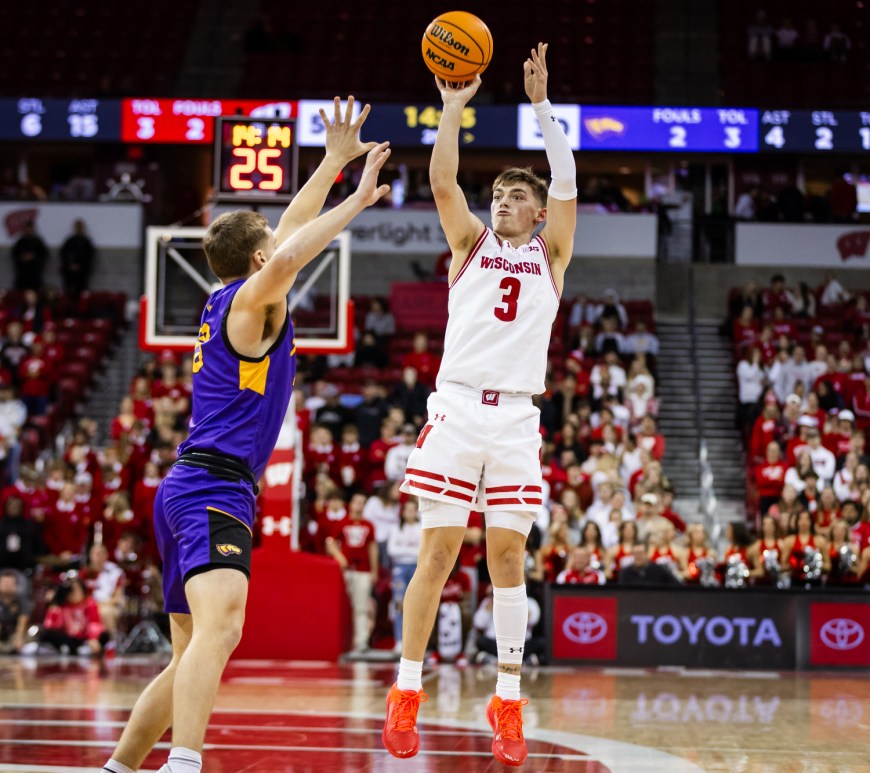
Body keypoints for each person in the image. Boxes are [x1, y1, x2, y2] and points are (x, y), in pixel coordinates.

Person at [103, 97, 391, 773]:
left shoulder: (228, 298)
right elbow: (290, 253)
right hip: (210, 486)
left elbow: (287, 232)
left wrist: (332, 164)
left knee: (189, 654)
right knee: (223, 629)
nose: (283, 243)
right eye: (274, 244)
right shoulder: (252, 300)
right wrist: (353, 203)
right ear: (260, 258)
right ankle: (185, 762)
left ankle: (118, 767)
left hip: (191, 486)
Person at [383, 43, 577, 767]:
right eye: (497, 193)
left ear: (536, 208)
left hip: (518, 417)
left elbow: (567, 177)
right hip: (458, 408)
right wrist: (455, 109)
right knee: (435, 554)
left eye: (516, 195)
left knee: (506, 557)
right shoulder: (468, 241)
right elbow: (440, 182)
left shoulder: (552, 252)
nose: (504, 201)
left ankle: (508, 699)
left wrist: (540, 109)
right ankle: (406, 688)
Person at [60, 218, 96, 297]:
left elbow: (89, 257)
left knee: (82, 293)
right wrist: (70, 265)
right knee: (69, 292)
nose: (79, 229)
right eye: (77, 227)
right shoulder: (69, 241)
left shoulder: (87, 242)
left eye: (80, 227)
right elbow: (63, 255)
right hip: (69, 273)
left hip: (82, 274)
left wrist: (80, 266)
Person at [10, 221, 49, 291]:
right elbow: (14, 254)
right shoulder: (20, 242)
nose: (28, 231)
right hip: (22, 275)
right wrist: (23, 257)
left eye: (30, 229)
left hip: (35, 275)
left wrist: (33, 256)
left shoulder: (38, 242)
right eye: (27, 229)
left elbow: (44, 254)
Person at [0, 569, 31, 654]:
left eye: (10, 583)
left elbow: (23, 621)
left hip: (14, 634)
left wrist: (19, 637)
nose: (7, 586)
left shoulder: (21, 601)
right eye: (4, 583)